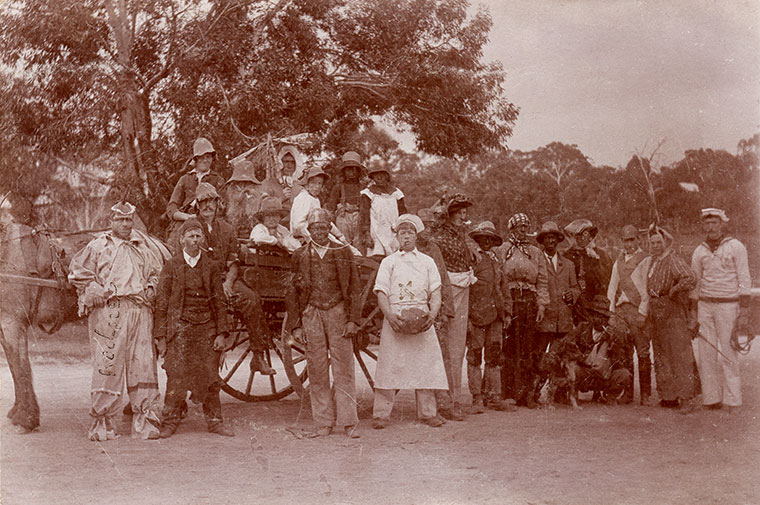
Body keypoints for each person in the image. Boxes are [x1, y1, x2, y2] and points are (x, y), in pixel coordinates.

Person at [68, 202, 167, 441]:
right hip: (109, 311)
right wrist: (95, 289)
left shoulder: (142, 246)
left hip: (139, 309)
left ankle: (144, 423)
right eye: (120, 220)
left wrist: (152, 288)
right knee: (107, 365)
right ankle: (103, 424)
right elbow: (77, 272)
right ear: (111, 221)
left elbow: (156, 272)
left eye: (129, 220)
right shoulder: (98, 246)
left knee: (143, 363)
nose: (125, 224)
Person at [154, 217, 235, 437]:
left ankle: (215, 421)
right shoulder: (171, 265)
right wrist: (161, 337)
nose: (195, 240)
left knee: (210, 373)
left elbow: (219, 301)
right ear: (182, 240)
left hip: (206, 327)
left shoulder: (211, 265)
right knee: (176, 373)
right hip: (179, 327)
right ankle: (170, 420)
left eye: (198, 236)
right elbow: (161, 302)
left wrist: (221, 333)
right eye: (191, 236)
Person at [285, 208, 361, 438]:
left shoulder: (343, 252)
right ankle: (323, 422)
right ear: (308, 231)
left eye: (323, 228)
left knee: (344, 367)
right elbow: (292, 292)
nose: (319, 232)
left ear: (330, 229)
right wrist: (296, 325)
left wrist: (353, 320)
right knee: (317, 368)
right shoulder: (299, 255)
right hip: (312, 312)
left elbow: (355, 288)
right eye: (315, 228)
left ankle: (349, 422)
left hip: (337, 311)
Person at [372, 214, 449, 428]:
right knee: (388, 365)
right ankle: (381, 414)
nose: (406, 236)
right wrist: (390, 316)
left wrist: (432, 314)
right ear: (396, 237)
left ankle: (427, 413)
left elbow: (436, 291)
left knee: (425, 365)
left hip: (422, 318)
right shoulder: (389, 262)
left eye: (410, 232)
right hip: (395, 317)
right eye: (402, 233)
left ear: (416, 236)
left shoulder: (427, 262)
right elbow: (381, 292)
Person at [193, 182, 274, 375]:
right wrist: (216, 285)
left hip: (225, 279)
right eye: (203, 202)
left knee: (252, 299)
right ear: (197, 205)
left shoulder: (227, 229)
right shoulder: (191, 227)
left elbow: (233, 261)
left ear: (217, 203)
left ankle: (258, 355)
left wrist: (228, 282)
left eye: (211, 201)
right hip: (199, 281)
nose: (207, 206)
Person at [690, 208, 752, 413]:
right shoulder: (699, 251)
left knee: (728, 352)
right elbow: (694, 284)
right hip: (705, 305)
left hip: (728, 305)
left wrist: (743, 312)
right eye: (707, 224)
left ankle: (733, 401)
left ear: (722, 224)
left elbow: (744, 280)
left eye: (714, 223)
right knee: (706, 354)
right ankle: (711, 398)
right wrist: (693, 311)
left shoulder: (736, 247)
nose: (710, 227)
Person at [495, 213, 549, 408]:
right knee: (509, 346)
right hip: (510, 299)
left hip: (529, 301)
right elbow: (498, 279)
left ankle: (526, 394)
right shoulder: (502, 250)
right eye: (519, 227)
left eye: (526, 227)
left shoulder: (535, 252)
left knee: (527, 346)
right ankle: (507, 392)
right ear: (512, 229)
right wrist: (504, 306)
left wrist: (542, 304)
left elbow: (542, 280)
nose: (523, 231)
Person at [434, 193, 477, 419]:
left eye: (464, 212)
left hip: (463, 288)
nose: (463, 215)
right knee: (445, 347)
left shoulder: (462, 236)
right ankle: (443, 401)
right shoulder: (437, 237)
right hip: (444, 291)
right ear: (448, 214)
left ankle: (453, 398)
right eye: (459, 212)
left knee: (457, 347)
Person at [646, 225, 698, 410]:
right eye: (652, 243)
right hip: (657, 315)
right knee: (661, 355)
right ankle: (669, 396)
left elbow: (690, 277)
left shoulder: (672, 259)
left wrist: (674, 290)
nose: (655, 246)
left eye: (659, 242)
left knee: (679, 355)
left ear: (665, 242)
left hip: (672, 313)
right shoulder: (653, 261)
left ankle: (686, 399)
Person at [416, 208, 458, 418]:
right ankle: (427, 410)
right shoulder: (407, 248)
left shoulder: (434, 248)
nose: (428, 229)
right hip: (415, 311)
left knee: (442, 357)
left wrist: (447, 309)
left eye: (432, 225)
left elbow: (443, 277)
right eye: (425, 225)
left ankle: (445, 405)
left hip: (436, 310)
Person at [467, 221, 513, 413]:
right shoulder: (472, 259)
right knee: (475, 357)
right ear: (478, 239)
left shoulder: (497, 260)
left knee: (494, 357)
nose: (486, 242)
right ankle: (476, 397)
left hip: (496, 316)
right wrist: (468, 316)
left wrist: (508, 312)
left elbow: (504, 287)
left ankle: (494, 397)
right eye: (483, 238)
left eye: (490, 239)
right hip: (477, 315)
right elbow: (467, 288)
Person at [607, 224, 652, 405]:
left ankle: (646, 394)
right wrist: (610, 313)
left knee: (642, 352)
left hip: (639, 310)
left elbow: (648, 290)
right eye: (626, 240)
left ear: (638, 240)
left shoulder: (646, 259)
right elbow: (612, 289)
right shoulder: (618, 262)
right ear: (622, 242)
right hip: (622, 311)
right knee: (624, 354)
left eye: (632, 239)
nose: (629, 244)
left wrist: (642, 312)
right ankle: (628, 393)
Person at [561, 295, 632, 403]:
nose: (601, 320)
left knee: (624, 374)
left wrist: (613, 343)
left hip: (603, 376)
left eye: (604, 317)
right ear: (591, 316)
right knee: (572, 368)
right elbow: (566, 345)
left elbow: (621, 362)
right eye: (597, 316)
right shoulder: (582, 328)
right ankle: (572, 395)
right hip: (583, 372)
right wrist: (580, 357)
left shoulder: (613, 335)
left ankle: (608, 397)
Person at [535, 221, 580, 380]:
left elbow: (575, 287)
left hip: (563, 319)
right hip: (544, 318)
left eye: (554, 238)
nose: (551, 241)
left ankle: (559, 394)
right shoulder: (536, 261)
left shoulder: (568, 264)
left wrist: (572, 294)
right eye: (547, 238)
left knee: (562, 357)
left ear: (558, 240)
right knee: (540, 357)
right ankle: (535, 392)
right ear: (542, 241)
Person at [166, 137, 225, 227]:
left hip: (210, 221)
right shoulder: (185, 179)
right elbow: (172, 207)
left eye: (208, 157)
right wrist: (186, 217)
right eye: (201, 157)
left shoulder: (218, 180)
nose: (205, 160)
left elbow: (222, 207)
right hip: (186, 220)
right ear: (196, 159)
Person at [564, 218, 612, 323]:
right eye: (578, 235)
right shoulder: (567, 255)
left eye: (585, 235)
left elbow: (607, 281)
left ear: (591, 236)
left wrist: (596, 261)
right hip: (575, 304)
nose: (581, 239)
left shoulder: (601, 255)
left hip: (596, 304)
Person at [290, 166, 349, 246]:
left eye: (320, 183)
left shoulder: (315, 199)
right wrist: (314, 238)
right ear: (306, 183)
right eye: (313, 183)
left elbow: (324, 221)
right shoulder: (303, 198)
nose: (317, 186)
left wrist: (340, 235)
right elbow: (298, 225)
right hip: (303, 239)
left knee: (345, 247)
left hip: (317, 235)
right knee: (338, 248)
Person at [358, 165, 406, 256]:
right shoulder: (368, 193)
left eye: (382, 174)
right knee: (377, 257)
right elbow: (364, 216)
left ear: (387, 176)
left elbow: (403, 214)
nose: (379, 177)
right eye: (376, 175)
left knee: (397, 257)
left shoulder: (396, 193)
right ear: (373, 177)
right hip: (376, 231)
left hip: (393, 232)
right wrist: (367, 235)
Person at [327, 151, 365, 246]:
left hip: (359, 219)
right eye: (348, 169)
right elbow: (331, 208)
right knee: (343, 246)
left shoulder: (364, 188)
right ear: (344, 171)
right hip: (342, 218)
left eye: (354, 169)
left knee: (359, 245)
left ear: (359, 171)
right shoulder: (338, 187)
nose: (352, 172)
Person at [223, 159, 266, 238]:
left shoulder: (262, 200)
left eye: (247, 184)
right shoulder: (226, 203)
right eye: (238, 185)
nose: (243, 188)